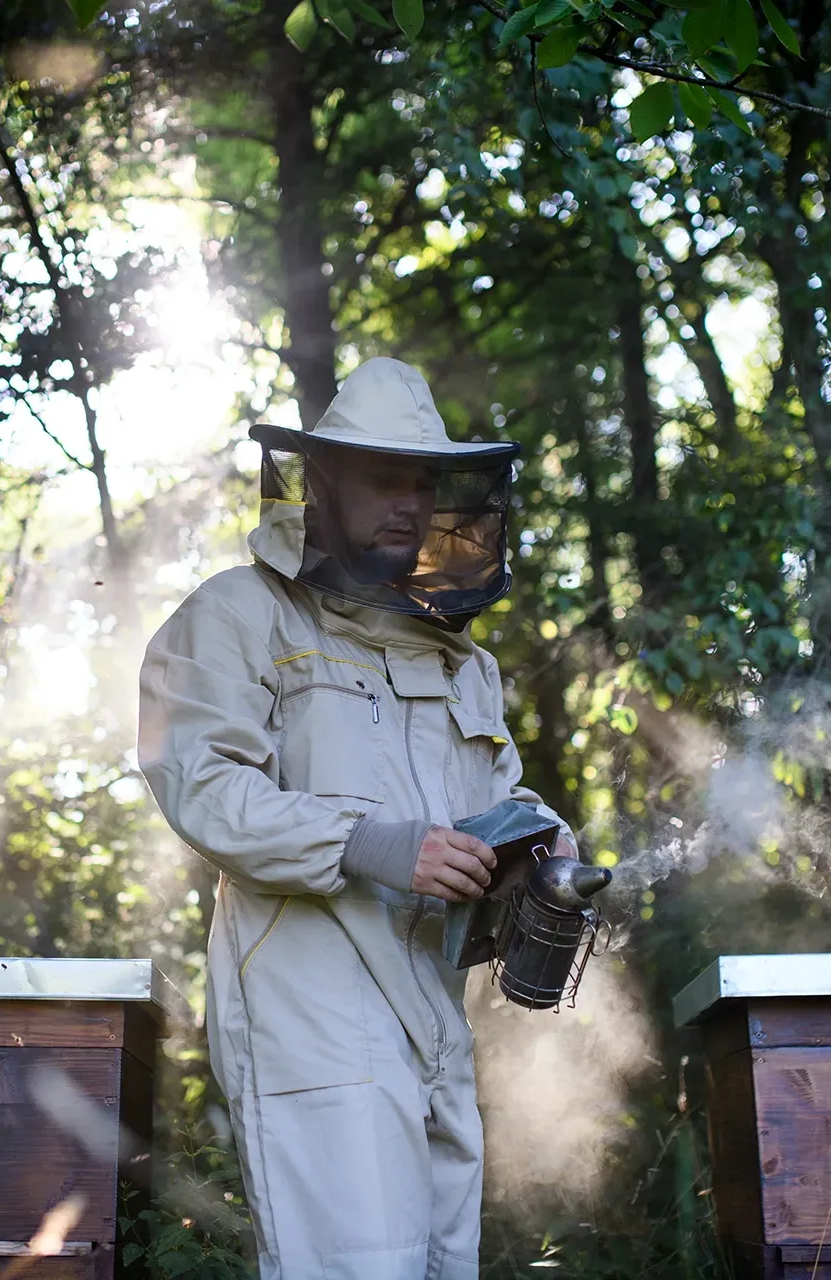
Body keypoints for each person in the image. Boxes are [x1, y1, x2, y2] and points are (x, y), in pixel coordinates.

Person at [138, 357, 573, 1279]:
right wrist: (367, 843)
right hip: (312, 1009)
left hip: (433, 1012)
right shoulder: (236, 614)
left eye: (422, 480)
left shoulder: (464, 663)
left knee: (440, 1268)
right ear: (323, 483)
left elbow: (490, 803)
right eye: (384, 477)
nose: (408, 503)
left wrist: (537, 840)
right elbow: (202, 788)